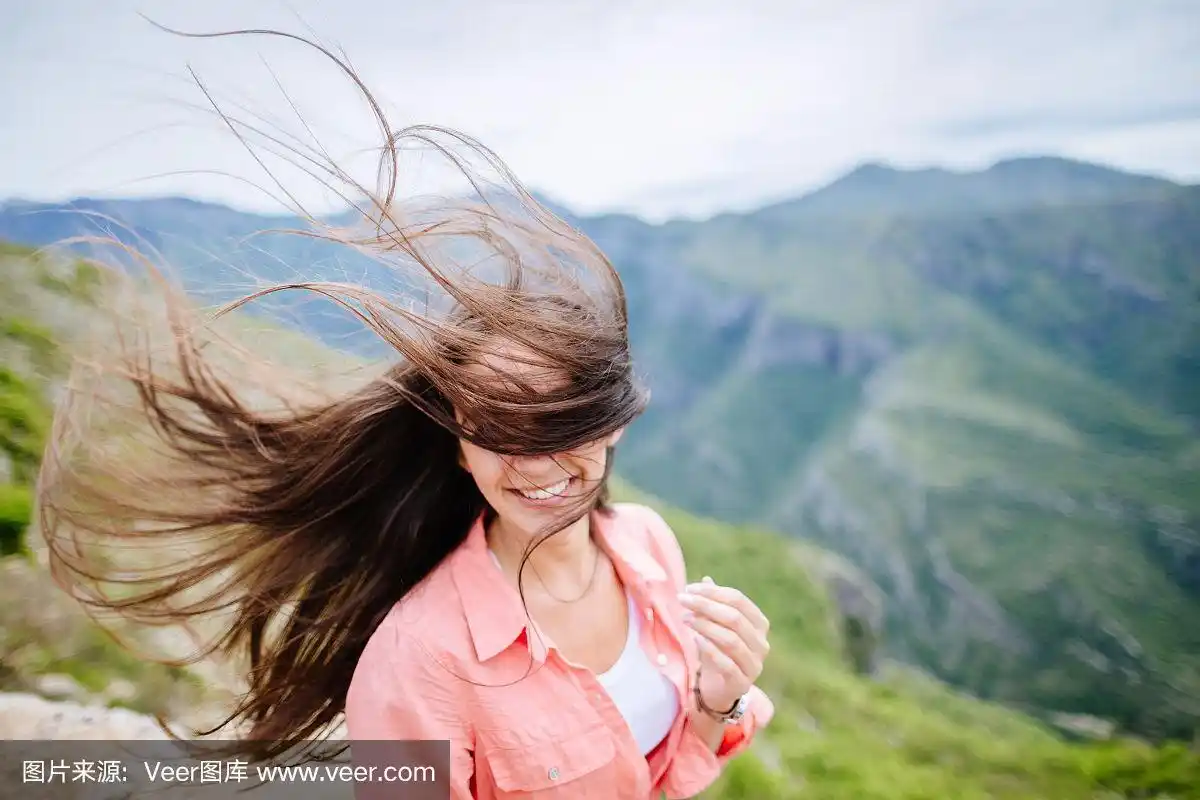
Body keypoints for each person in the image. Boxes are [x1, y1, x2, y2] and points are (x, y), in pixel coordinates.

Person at [33, 26, 774, 800]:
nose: (540, 466)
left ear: (614, 422)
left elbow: (661, 777)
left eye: (561, 426)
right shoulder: (421, 656)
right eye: (499, 432)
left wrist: (717, 700)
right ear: (458, 448)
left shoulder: (649, 550)